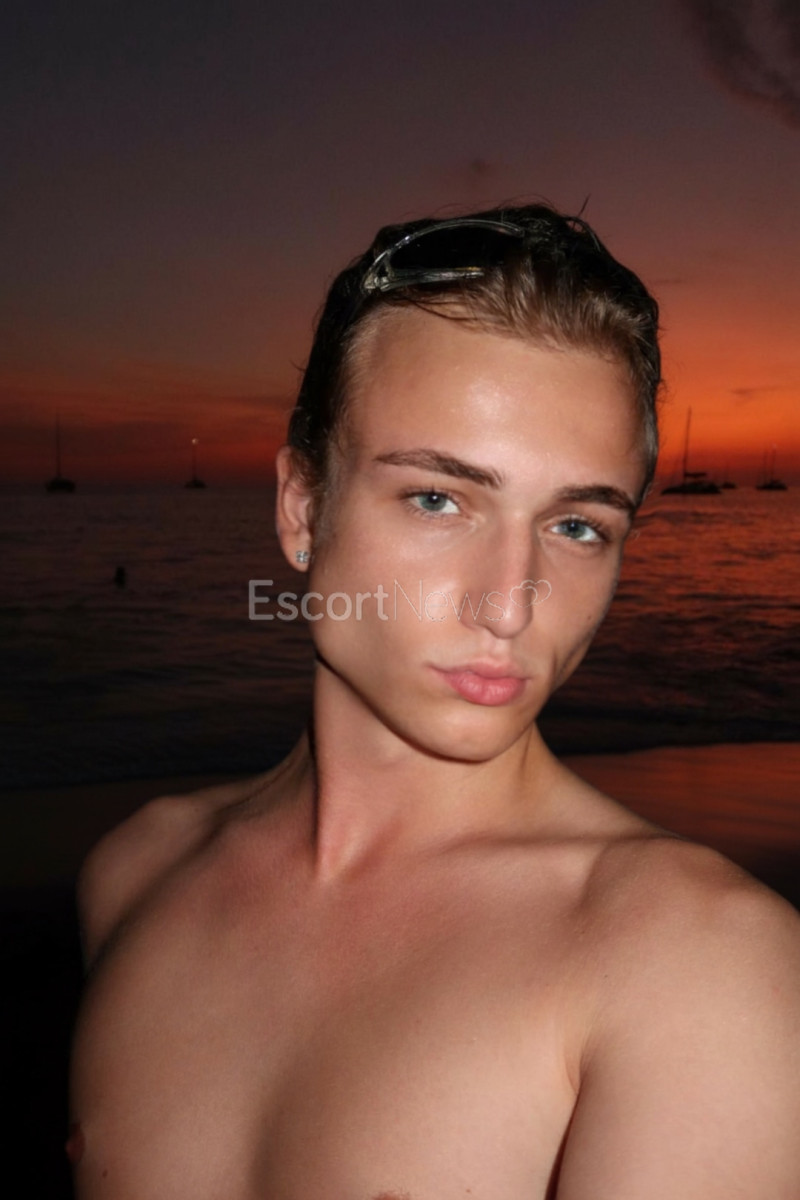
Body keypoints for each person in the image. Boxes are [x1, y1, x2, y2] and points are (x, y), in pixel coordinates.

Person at [70, 204, 800, 1198]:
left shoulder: (693, 964)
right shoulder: (134, 878)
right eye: (437, 499)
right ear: (301, 507)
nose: (509, 604)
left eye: (577, 526)